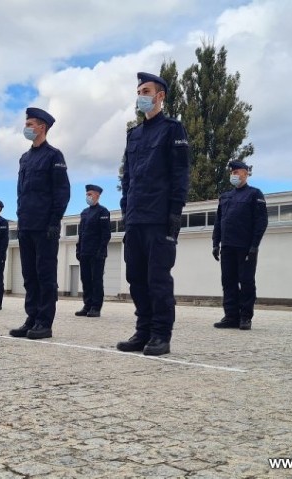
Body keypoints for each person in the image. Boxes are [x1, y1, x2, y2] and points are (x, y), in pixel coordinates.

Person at [116, 72, 190, 356]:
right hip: (136, 217)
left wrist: (174, 214)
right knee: (136, 277)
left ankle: (161, 335)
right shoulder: (133, 134)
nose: (141, 96)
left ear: (160, 96)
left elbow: (180, 175)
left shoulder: (173, 129)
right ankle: (143, 330)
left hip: (159, 218)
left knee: (158, 279)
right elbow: (128, 177)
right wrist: (126, 208)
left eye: (146, 90)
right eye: (138, 91)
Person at [9, 108, 70, 340]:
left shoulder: (54, 156)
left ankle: (45, 322)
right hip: (26, 224)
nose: (27, 127)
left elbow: (62, 191)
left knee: (45, 275)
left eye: (31, 123)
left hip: (45, 227)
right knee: (29, 275)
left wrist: (55, 221)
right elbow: (21, 192)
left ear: (42, 127)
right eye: (27, 123)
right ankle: (32, 317)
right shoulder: (24, 158)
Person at [212, 161, 268, 330]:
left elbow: (261, 222)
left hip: (245, 247)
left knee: (246, 281)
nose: (233, 175)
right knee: (228, 281)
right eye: (232, 172)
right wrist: (216, 243)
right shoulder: (225, 197)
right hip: (227, 246)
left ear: (245, 173)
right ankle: (231, 316)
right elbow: (218, 222)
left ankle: (245, 317)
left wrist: (254, 245)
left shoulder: (254, 194)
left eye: (236, 172)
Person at [75, 184, 111, 318]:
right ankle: (87, 305)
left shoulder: (103, 212)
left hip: (97, 253)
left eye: (90, 194)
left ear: (97, 195)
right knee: (85, 279)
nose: (87, 196)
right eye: (86, 194)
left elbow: (106, 234)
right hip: (84, 252)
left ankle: (96, 307)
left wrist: (101, 250)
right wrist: (78, 249)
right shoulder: (84, 212)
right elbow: (81, 233)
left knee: (96, 280)